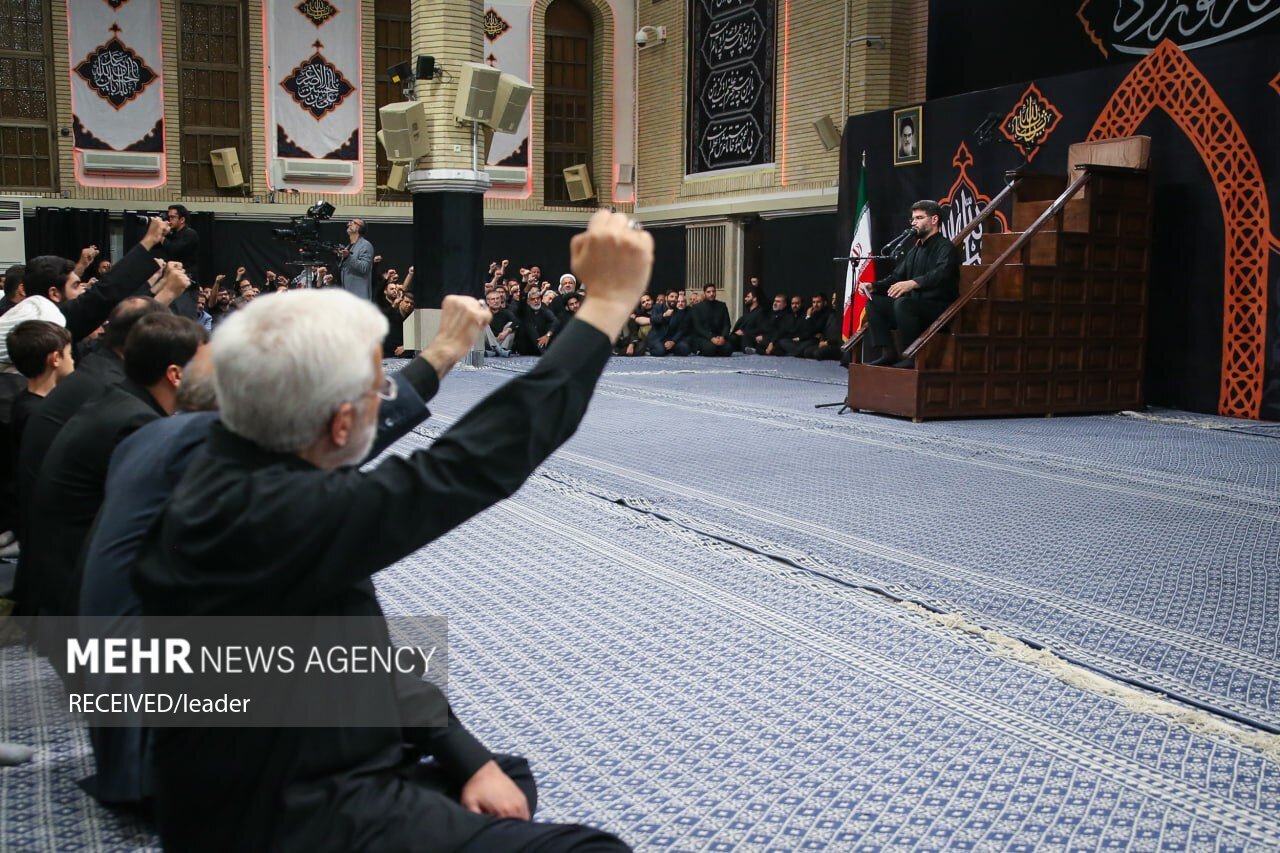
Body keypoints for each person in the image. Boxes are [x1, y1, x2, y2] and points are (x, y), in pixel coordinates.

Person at [129, 210, 648, 851]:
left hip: (276, 763)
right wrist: (608, 302)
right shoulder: (276, 515)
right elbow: (472, 463)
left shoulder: (233, 465)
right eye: (380, 387)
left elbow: (358, 650)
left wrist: (469, 757)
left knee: (500, 778)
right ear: (342, 426)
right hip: (292, 814)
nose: (388, 396)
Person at [26, 313, 208, 625]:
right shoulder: (137, 423)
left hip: (63, 581)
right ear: (176, 374)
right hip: (84, 603)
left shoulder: (118, 400)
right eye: (209, 366)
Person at [863, 200, 960, 368]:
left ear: (934, 220)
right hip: (913, 307)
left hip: (937, 307)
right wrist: (875, 286)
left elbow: (941, 274)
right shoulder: (915, 250)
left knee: (903, 303)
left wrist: (913, 283)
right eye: (912, 219)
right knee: (874, 302)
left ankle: (912, 356)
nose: (914, 222)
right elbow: (896, 277)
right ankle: (888, 352)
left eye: (919, 218)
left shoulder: (946, 247)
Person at [337, 217, 375, 302]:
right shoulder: (348, 246)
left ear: (359, 227)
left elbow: (364, 268)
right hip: (348, 296)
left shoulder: (365, 245)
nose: (349, 224)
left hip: (359, 297)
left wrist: (348, 257)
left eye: (353, 222)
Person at [689, 283, 733, 357]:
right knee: (710, 349)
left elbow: (727, 324)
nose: (711, 294)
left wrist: (723, 337)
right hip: (704, 337)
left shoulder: (722, 306)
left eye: (713, 291)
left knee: (728, 349)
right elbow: (698, 327)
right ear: (704, 293)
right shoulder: (697, 308)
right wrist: (711, 338)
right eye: (709, 292)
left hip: (719, 337)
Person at [731, 288, 768, 353]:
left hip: (751, 338)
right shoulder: (747, 313)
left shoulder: (761, 312)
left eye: (748, 297)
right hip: (739, 337)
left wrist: (744, 332)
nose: (745, 299)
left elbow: (761, 328)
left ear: (754, 299)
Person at [484, 289, 518, 357]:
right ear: (488, 301)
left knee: (510, 325)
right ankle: (498, 350)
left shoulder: (506, 312)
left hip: (502, 341)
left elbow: (517, 321)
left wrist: (506, 332)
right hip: (489, 344)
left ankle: (498, 351)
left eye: (497, 298)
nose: (496, 301)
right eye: (493, 299)